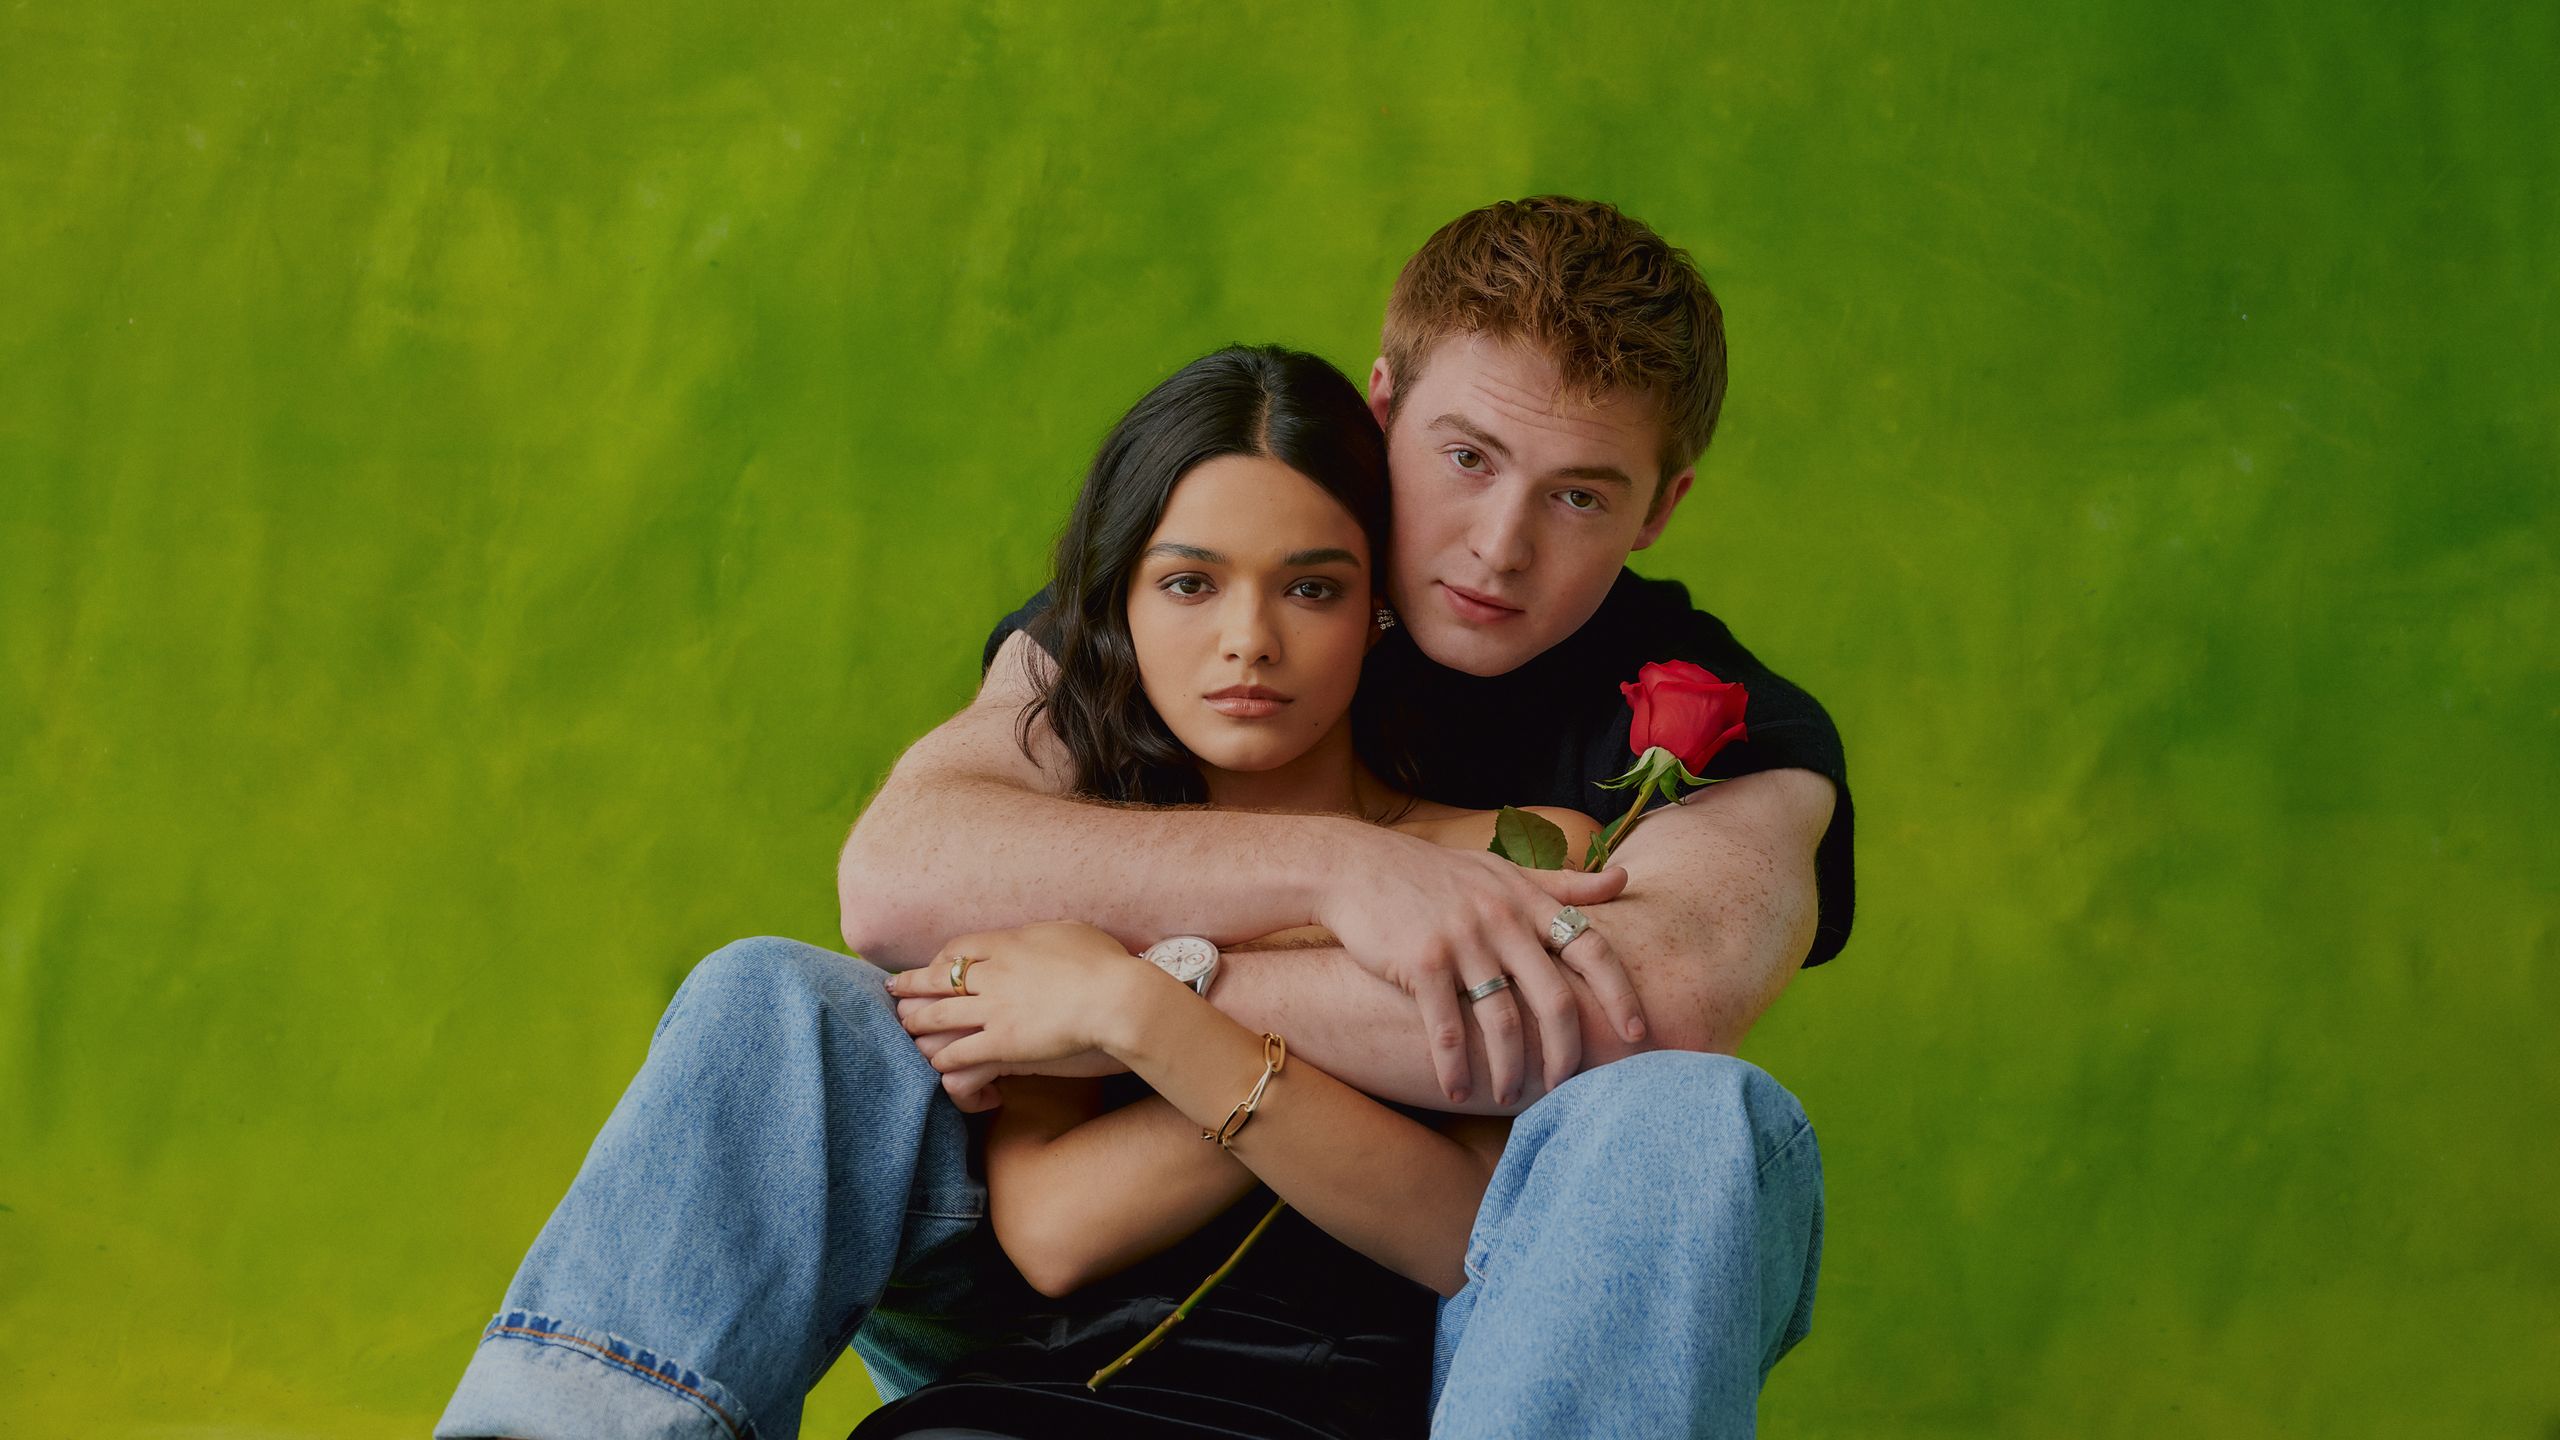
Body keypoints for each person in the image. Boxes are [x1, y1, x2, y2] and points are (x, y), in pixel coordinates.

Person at [438, 196, 1849, 1440]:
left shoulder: (1720, 723)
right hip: (1047, 1282)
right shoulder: (1224, 574)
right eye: (1468, 459)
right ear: (1379, 407)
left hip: (1477, 1342)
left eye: (1579, 496)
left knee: (1690, 1118)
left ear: (1661, 507)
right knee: (776, 1003)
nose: (1500, 544)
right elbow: (903, 873)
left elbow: (1644, 1007)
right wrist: (1339, 872)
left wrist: (1143, 992)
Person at [851, 342, 1601, 1438]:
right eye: (1190, 584)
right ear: (1118, 605)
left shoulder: (1518, 850)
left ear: (1378, 605)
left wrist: (1140, 1011)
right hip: (1028, 1409)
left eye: (1311, 587)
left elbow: (1461, 1234)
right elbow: (1056, 1231)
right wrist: (1334, 1011)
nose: (1249, 642)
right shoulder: (1071, 867)